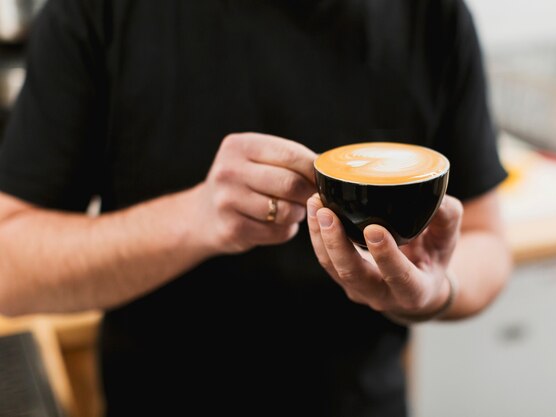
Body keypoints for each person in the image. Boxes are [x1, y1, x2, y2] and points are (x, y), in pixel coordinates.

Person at [0, 0, 512, 416]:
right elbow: (9, 268)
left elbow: (486, 237)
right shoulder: (96, 13)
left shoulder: (434, 17)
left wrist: (435, 292)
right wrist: (194, 219)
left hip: (363, 401)